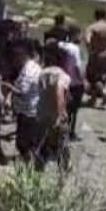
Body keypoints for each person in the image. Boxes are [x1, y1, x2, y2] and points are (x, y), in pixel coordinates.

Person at [35, 43, 72, 172]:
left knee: (44, 144)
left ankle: (37, 171)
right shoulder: (62, 75)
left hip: (42, 114)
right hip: (55, 116)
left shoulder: (42, 73)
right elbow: (59, 91)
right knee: (63, 147)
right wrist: (60, 114)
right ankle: (64, 173)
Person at [6, 39, 43, 162]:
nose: (14, 59)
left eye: (17, 55)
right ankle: (30, 161)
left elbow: (22, 92)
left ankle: (32, 163)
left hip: (29, 112)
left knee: (23, 143)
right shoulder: (28, 67)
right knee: (24, 142)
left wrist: (6, 86)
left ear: (24, 54)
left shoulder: (29, 71)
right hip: (26, 111)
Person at [84, 8, 106, 106]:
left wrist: (90, 50)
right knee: (102, 77)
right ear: (105, 16)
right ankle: (93, 99)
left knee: (92, 77)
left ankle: (104, 94)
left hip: (96, 55)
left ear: (95, 16)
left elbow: (87, 40)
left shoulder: (92, 28)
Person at [61, 26, 86, 140]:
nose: (81, 37)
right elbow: (77, 67)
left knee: (62, 107)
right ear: (74, 35)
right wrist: (83, 80)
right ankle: (70, 132)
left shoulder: (61, 45)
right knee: (73, 110)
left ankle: (61, 130)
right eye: (80, 35)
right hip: (74, 82)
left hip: (62, 80)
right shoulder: (75, 49)